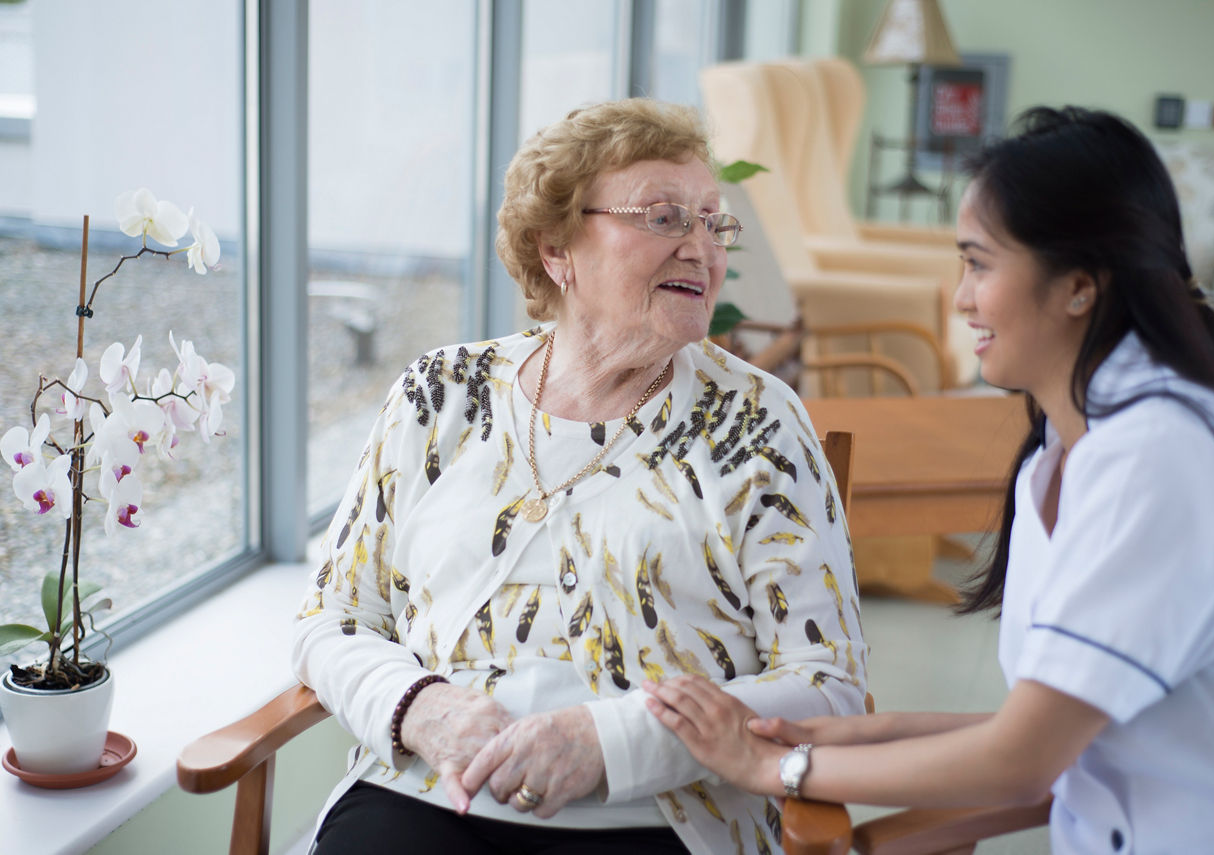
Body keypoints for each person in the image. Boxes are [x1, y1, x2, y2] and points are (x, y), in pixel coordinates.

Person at [644, 106, 1214, 854]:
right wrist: (847, 736)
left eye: (979, 263)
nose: (960, 298)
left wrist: (780, 766)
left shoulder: (1163, 460)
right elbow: (1053, 734)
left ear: (1080, 286)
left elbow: (1026, 758)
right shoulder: (1060, 451)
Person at [291, 98, 867, 855]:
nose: (702, 247)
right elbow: (332, 618)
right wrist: (421, 707)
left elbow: (829, 680)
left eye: (712, 222)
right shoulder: (442, 393)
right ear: (556, 249)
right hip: (425, 793)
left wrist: (608, 739)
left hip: (660, 814)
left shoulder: (756, 421)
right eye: (664, 217)